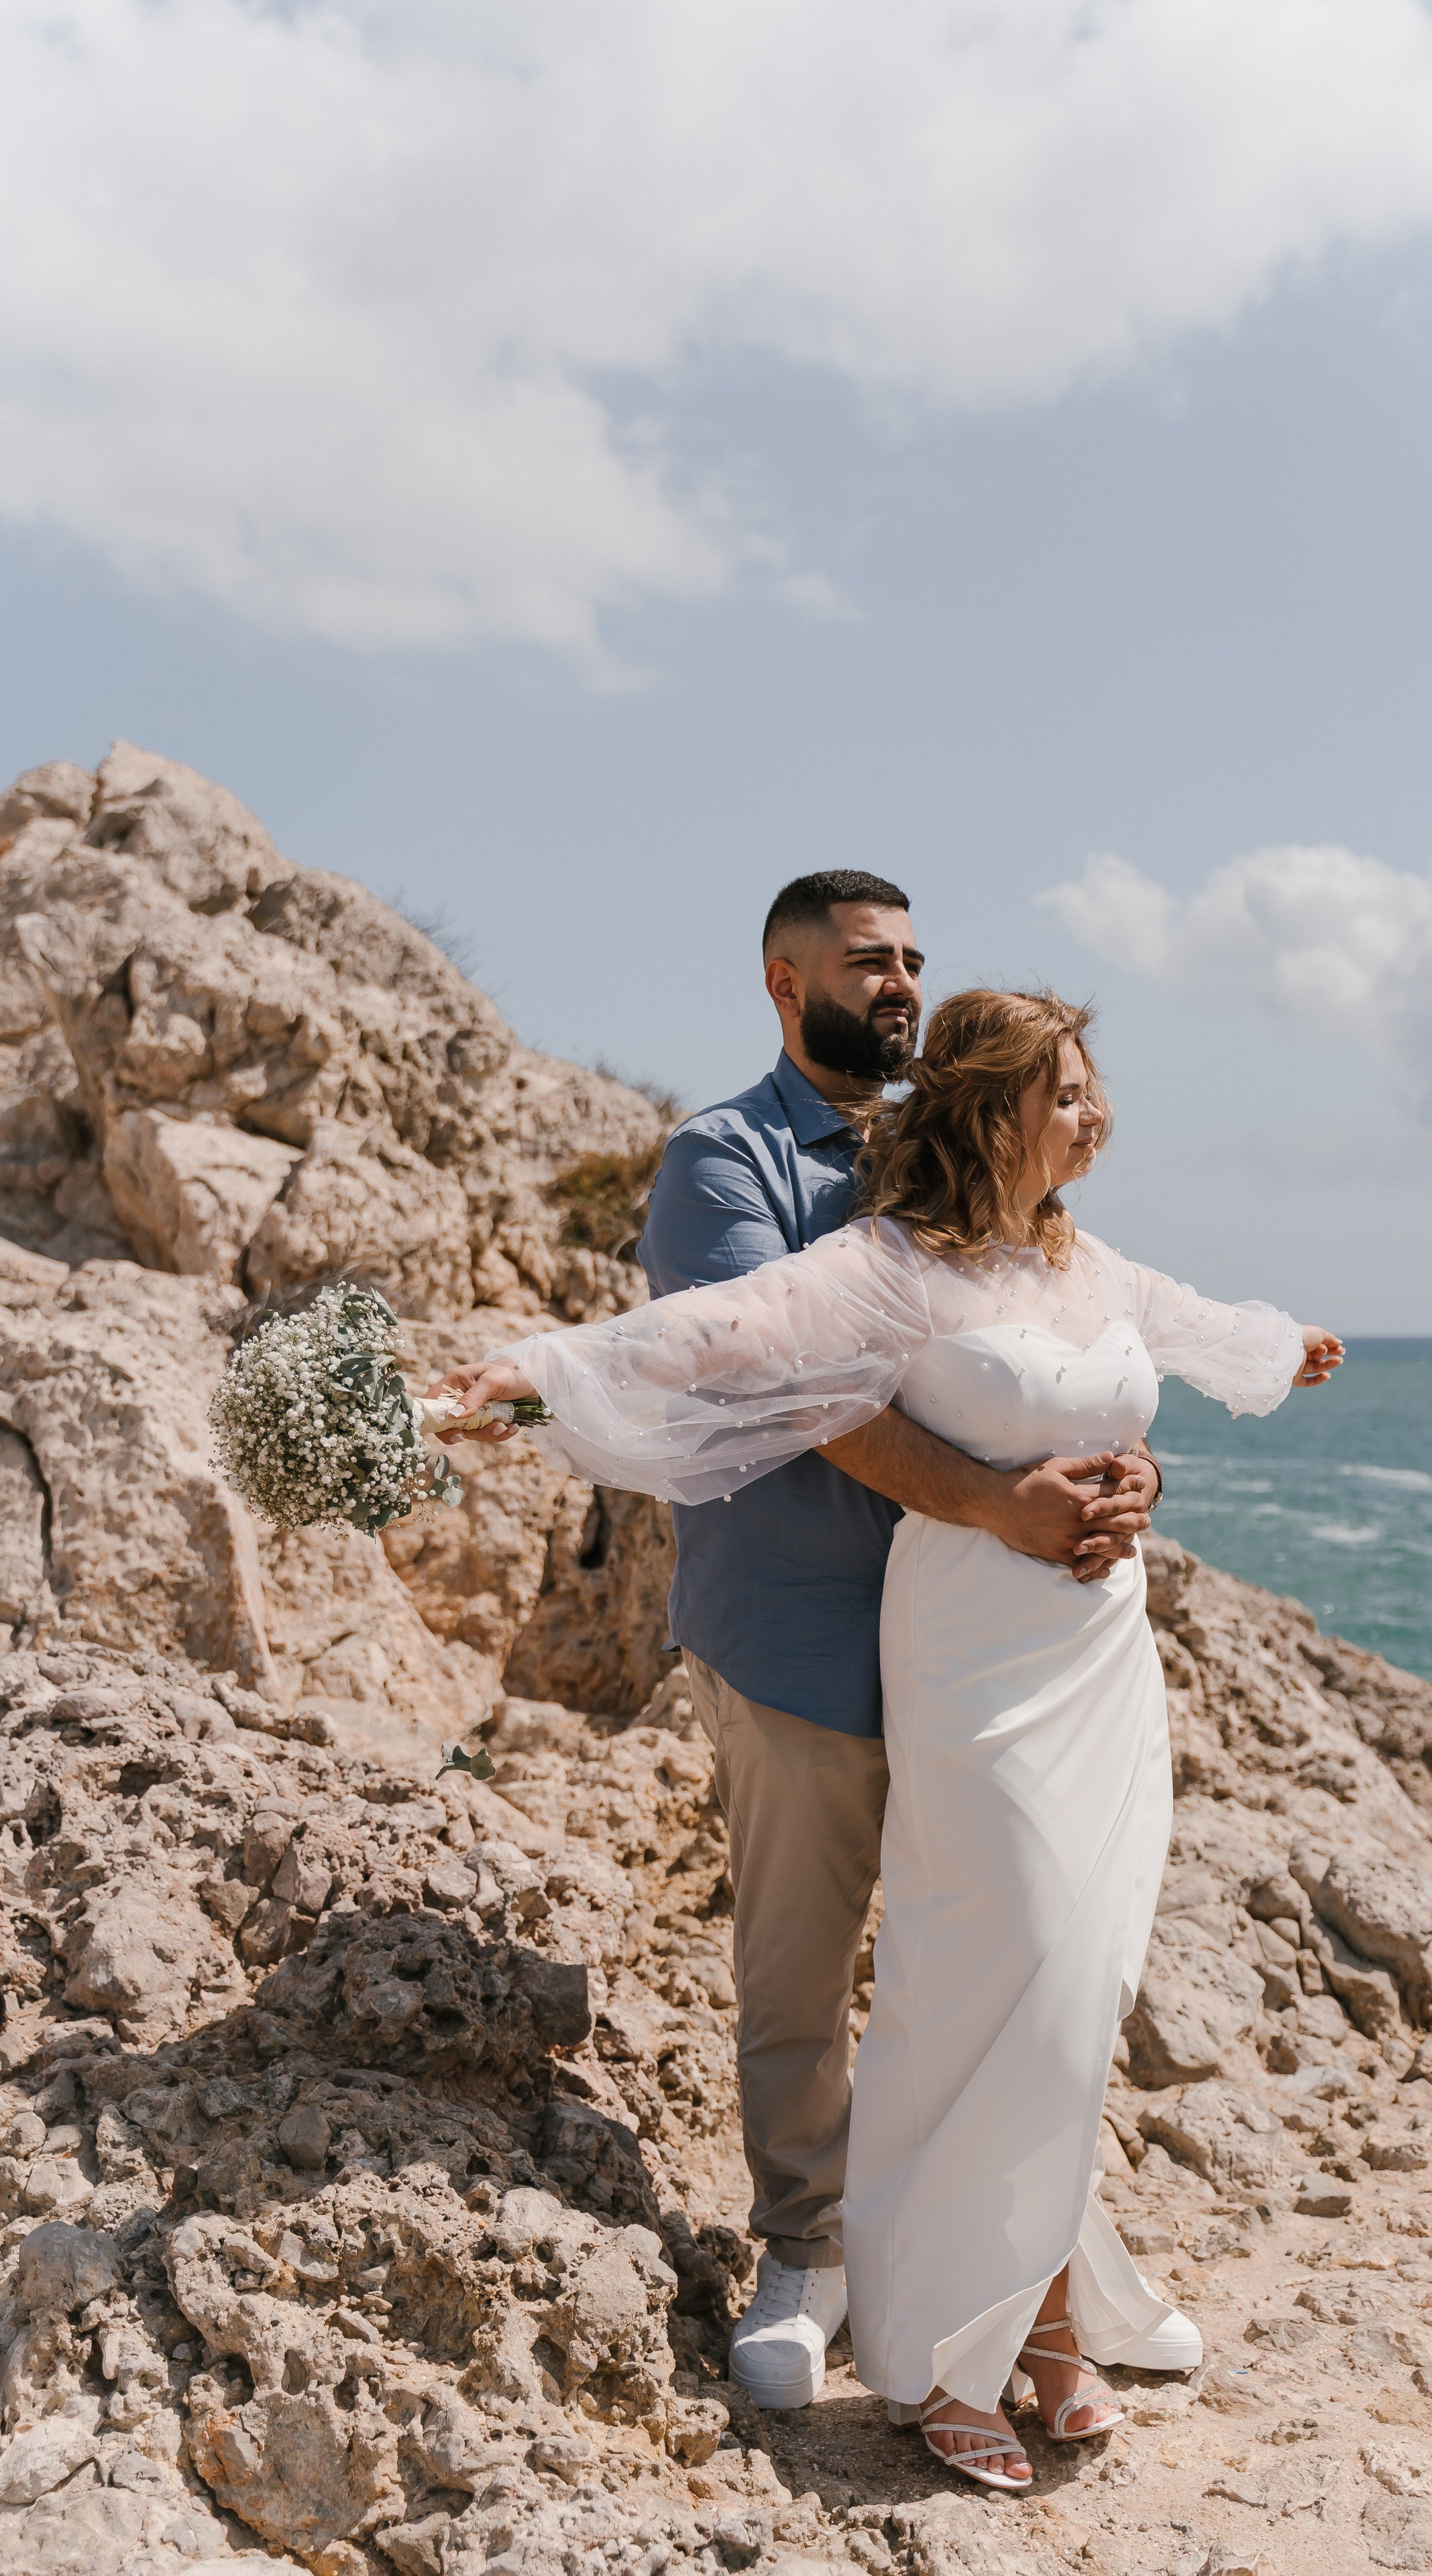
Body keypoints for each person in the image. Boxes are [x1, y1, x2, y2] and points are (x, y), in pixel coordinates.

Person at [435, 981, 1342, 2492]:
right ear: (990, 1106)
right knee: (997, 1971)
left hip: (1099, 1657)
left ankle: (1044, 2306)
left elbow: (1181, 1339)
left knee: (1083, 1978)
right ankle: (933, 2344)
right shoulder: (886, 1267)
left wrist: (1171, 1453)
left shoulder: (1086, 1256)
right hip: (973, 1655)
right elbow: (711, 1328)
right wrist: (523, 1373)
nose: (1095, 1108)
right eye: (1065, 1087)